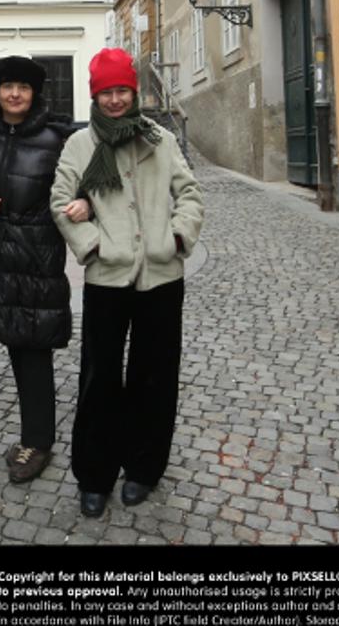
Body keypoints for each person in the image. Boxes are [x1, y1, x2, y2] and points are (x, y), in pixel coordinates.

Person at [51, 47, 204, 517]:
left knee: (154, 376)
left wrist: (177, 236)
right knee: (100, 377)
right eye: (106, 93)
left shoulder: (159, 138)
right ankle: (94, 474)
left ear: (134, 92)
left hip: (161, 274)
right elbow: (60, 201)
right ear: (95, 96)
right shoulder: (81, 145)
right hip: (108, 277)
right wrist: (94, 245)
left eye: (122, 91)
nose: (115, 100)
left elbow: (190, 193)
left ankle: (143, 467)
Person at [0, 56, 74, 484]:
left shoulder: (57, 136)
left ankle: (39, 442)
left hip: (37, 259)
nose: (14, 94)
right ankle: (35, 436)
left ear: (35, 94)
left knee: (35, 350)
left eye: (23, 88)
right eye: (7, 86)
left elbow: (83, 183)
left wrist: (81, 203)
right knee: (16, 343)